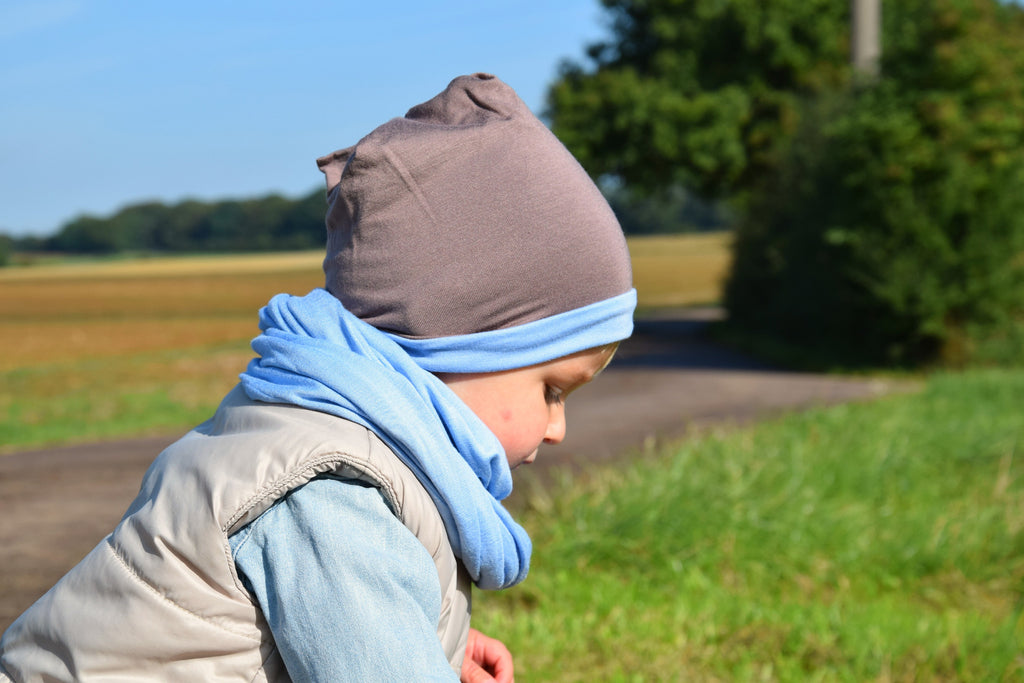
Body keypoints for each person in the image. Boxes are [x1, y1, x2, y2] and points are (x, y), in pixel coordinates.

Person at [0, 73, 636, 682]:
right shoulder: (334, 490)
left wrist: (422, 633)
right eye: (552, 390)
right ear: (455, 345)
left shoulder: (327, 440)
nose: (557, 429)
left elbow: (311, 613)